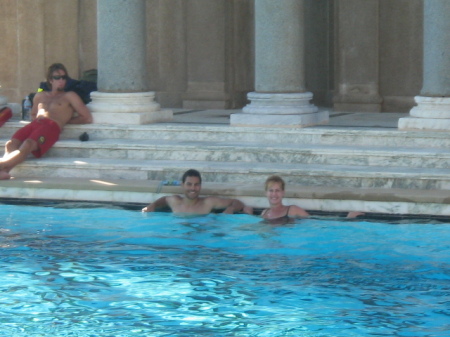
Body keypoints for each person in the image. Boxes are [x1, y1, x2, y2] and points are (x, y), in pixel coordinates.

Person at [0, 63, 93, 180]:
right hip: (36, 124)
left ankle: (2, 166)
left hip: (51, 126)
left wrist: (64, 120)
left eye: (64, 78)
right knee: (11, 143)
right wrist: (38, 117)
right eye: (57, 78)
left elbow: (87, 117)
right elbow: (33, 114)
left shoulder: (70, 96)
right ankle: (5, 170)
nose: (61, 81)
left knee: (28, 144)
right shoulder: (40, 96)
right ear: (50, 80)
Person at [142, 169, 250, 215]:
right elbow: (164, 200)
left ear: (200, 186)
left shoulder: (208, 202)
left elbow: (237, 202)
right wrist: (152, 205)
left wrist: (230, 209)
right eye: (189, 184)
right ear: (182, 185)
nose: (193, 188)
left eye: (196, 184)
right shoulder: (175, 201)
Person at [260, 175, 363, 223]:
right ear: (266, 193)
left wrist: (346, 219)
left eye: (277, 190)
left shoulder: (292, 210)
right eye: (271, 190)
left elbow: (316, 220)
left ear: (283, 193)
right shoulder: (264, 214)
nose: (274, 194)